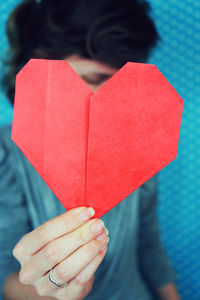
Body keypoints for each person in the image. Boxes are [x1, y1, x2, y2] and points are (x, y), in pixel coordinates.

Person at [0, 0, 181, 299]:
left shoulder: (138, 143)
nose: (103, 103)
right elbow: (5, 277)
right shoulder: (6, 153)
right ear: (42, 67)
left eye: (117, 87)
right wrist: (54, 288)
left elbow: (148, 243)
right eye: (88, 82)